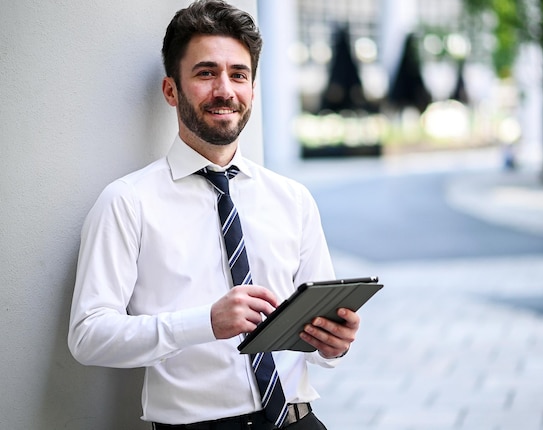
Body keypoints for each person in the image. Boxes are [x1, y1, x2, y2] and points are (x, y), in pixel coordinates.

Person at [67, 1, 361, 429]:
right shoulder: (127, 202)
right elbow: (88, 337)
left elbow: (318, 335)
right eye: (206, 73)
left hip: (298, 419)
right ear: (172, 90)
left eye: (239, 75)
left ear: (253, 90)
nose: (225, 89)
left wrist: (334, 344)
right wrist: (203, 323)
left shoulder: (293, 199)